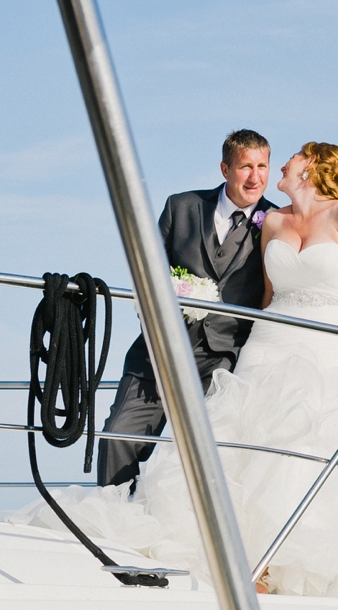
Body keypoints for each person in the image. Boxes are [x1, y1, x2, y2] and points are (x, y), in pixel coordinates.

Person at [11, 141, 338, 598]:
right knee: (238, 449)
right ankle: (202, 554)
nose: (274, 167)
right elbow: (265, 297)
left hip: (327, 347)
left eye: (282, 161)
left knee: (295, 452)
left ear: (311, 169)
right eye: (252, 164)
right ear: (226, 167)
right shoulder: (274, 222)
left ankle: (270, 566)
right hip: (266, 347)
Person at [95, 129, 278, 490]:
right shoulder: (181, 206)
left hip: (225, 362)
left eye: (262, 166)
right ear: (225, 168)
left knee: (198, 460)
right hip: (158, 355)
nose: (254, 177)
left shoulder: (275, 221)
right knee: (116, 439)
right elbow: (146, 274)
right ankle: (111, 530)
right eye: (245, 167)